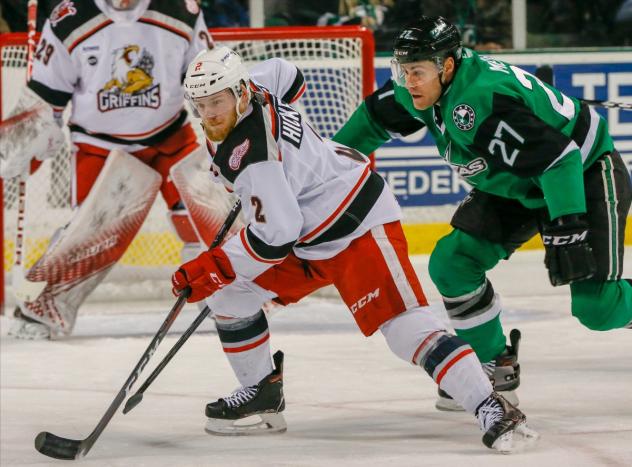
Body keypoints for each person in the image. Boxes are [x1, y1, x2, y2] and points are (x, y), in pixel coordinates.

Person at [170, 45, 539, 453]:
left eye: (217, 101)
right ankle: (260, 395)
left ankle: (491, 406)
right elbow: (288, 74)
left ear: (239, 93)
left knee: (404, 330)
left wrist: (217, 263)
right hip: (310, 236)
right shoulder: (257, 87)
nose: (210, 113)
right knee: (233, 295)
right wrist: (295, 163)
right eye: (201, 104)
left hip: (355, 226)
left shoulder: (254, 154)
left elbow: (276, 234)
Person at [333, 15, 632, 410]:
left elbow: (560, 159)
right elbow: (371, 121)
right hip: (515, 184)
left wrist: (568, 226)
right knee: (452, 264)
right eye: (403, 70)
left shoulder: (480, 102)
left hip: (585, 172)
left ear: (448, 66)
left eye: (418, 71)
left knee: (596, 307)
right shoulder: (419, 89)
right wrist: (326, 173)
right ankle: (493, 362)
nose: (409, 82)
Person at [0, 0, 212, 339]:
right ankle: (42, 311)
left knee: (208, 218)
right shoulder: (70, 17)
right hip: (101, 147)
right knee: (92, 239)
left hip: (170, 138)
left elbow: (206, 77)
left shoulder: (180, 9)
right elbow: (46, 93)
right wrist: (16, 146)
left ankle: (227, 295)